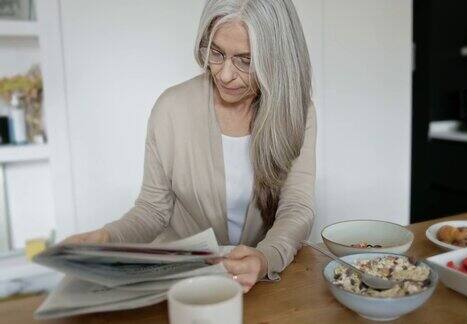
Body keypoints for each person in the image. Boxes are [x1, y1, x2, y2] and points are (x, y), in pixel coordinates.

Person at [62, 0, 316, 293]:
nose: (225, 74)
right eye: (217, 53)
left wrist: (266, 257)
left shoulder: (297, 112)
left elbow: (296, 206)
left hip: (259, 287)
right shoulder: (171, 108)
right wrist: (107, 238)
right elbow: (153, 210)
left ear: (277, 60)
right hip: (183, 285)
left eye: (246, 60)